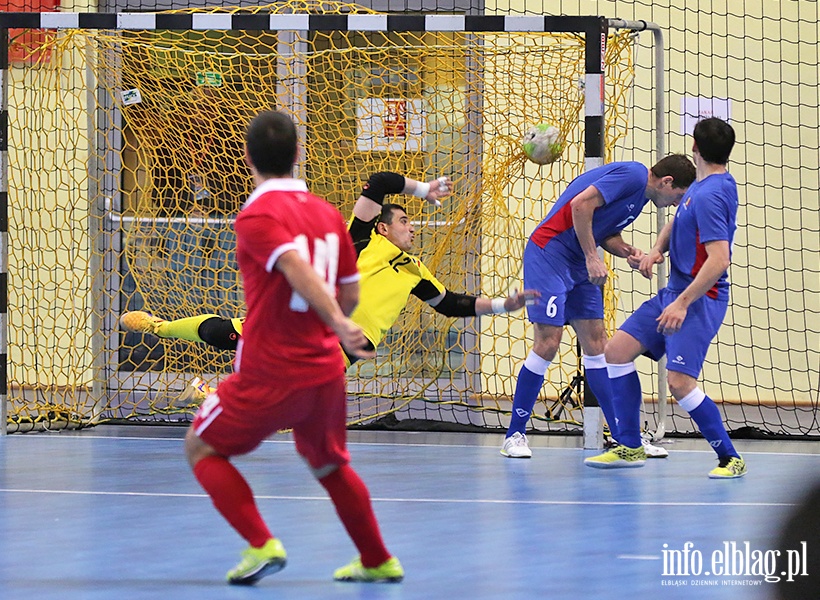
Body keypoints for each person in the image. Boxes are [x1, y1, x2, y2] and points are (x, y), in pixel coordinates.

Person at [184, 110, 403, 586]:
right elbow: (348, 290)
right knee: (328, 463)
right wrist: (338, 322)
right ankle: (377, 559)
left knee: (201, 446)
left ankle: (262, 543)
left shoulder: (257, 215)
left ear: (247, 158)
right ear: (299, 155)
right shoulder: (326, 214)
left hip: (271, 368)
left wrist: (336, 319)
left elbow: (294, 267)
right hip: (325, 369)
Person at [121, 171, 539, 390]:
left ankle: (237, 399)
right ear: (382, 227)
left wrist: (505, 304)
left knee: (306, 385)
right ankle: (159, 327)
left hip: (352, 342)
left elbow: (451, 304)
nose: (413, 228)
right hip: (312, 318)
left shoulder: (415, 271)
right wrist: (422, 188)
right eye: (406, 221)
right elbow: (379, 183)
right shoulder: (360, 239)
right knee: (231, 334)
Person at [501, 154, 696, 459]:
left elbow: (604, 232)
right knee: (548, 343)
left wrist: (627, 251)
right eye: (679, 196)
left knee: (597, 345)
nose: (675, 203)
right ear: (667, 182)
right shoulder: (632, 175)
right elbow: (580, 206)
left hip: (578, 261)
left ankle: (625, 438)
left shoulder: (641, 198)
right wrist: (594, 258)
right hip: (549, 252)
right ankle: (515, 434)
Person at [585, 117, 745, 477]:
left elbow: (720, 260)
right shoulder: (701, 186)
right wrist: (657, 250)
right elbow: (677, 221)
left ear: (694, 147)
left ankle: (729, 457)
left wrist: (682, 303)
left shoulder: (714, 194)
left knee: (679, 382)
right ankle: (629, 446)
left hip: (699, 299)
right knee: (616, 352)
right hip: (673, 291)